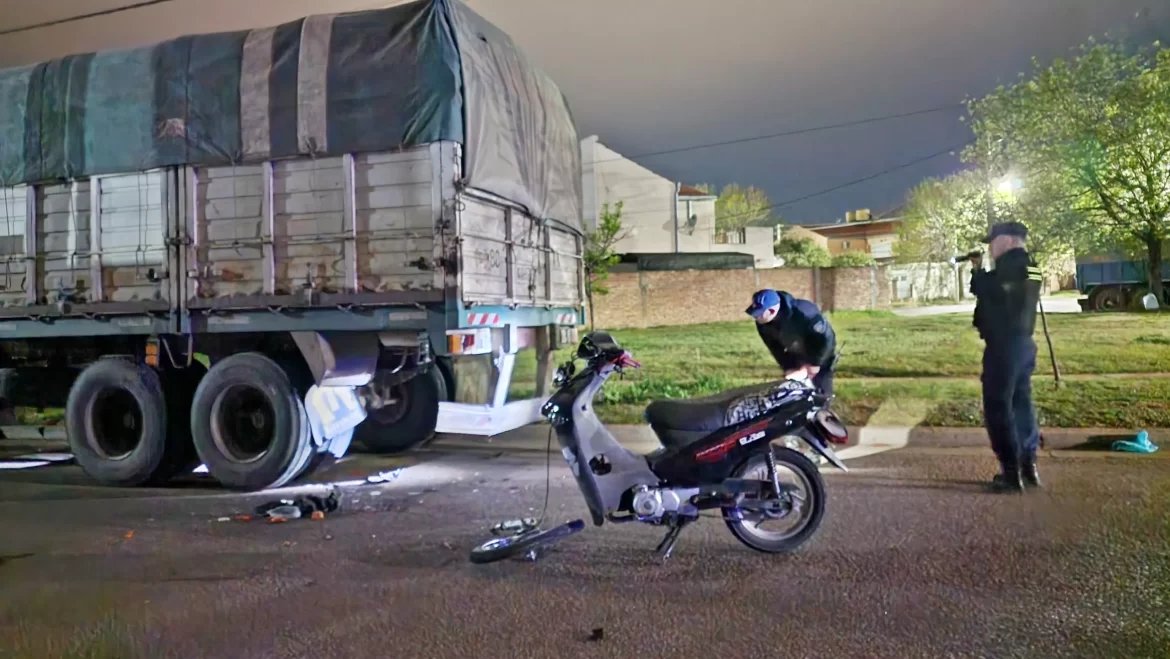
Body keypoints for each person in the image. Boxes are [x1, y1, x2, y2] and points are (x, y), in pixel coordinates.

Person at [969, 221, 1044, 493]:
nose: (991, 246)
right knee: (1021, 404)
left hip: (1004, 347)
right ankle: (1028, 465)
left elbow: (991, 289)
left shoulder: (1011, 267)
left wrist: (977, 272)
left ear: (1010, 240)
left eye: (994, 240)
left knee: (999, 407)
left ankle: (1011, 472)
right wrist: (981, 271)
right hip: (1023, 345)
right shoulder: (1032, 267)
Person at [745, 289, 837, 397]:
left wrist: (816, 363)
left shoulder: (804, 313)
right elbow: (774, 347)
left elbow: (827, 339)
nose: (756, 317)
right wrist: (789, 367)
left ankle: (823, 403)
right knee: (796, 394)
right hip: (796, 354)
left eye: (759, 314)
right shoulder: (762, 323)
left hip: (820, 354)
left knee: (821, 394)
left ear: (772, 311)